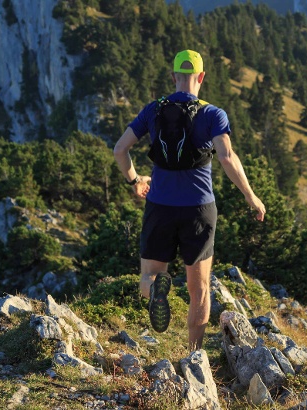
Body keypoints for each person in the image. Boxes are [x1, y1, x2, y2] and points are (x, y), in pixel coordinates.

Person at [113, 50, 266, 351]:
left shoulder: (153, 110)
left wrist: (136, 181)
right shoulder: (212, 114)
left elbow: (120, 149)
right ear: (201, 77)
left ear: (173, 77)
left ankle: (155, 287)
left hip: (160, 206)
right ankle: (194, 355)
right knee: (200, 290)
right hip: (199, 209)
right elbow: (226, 157)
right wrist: (251, 196)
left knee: (149, 276)